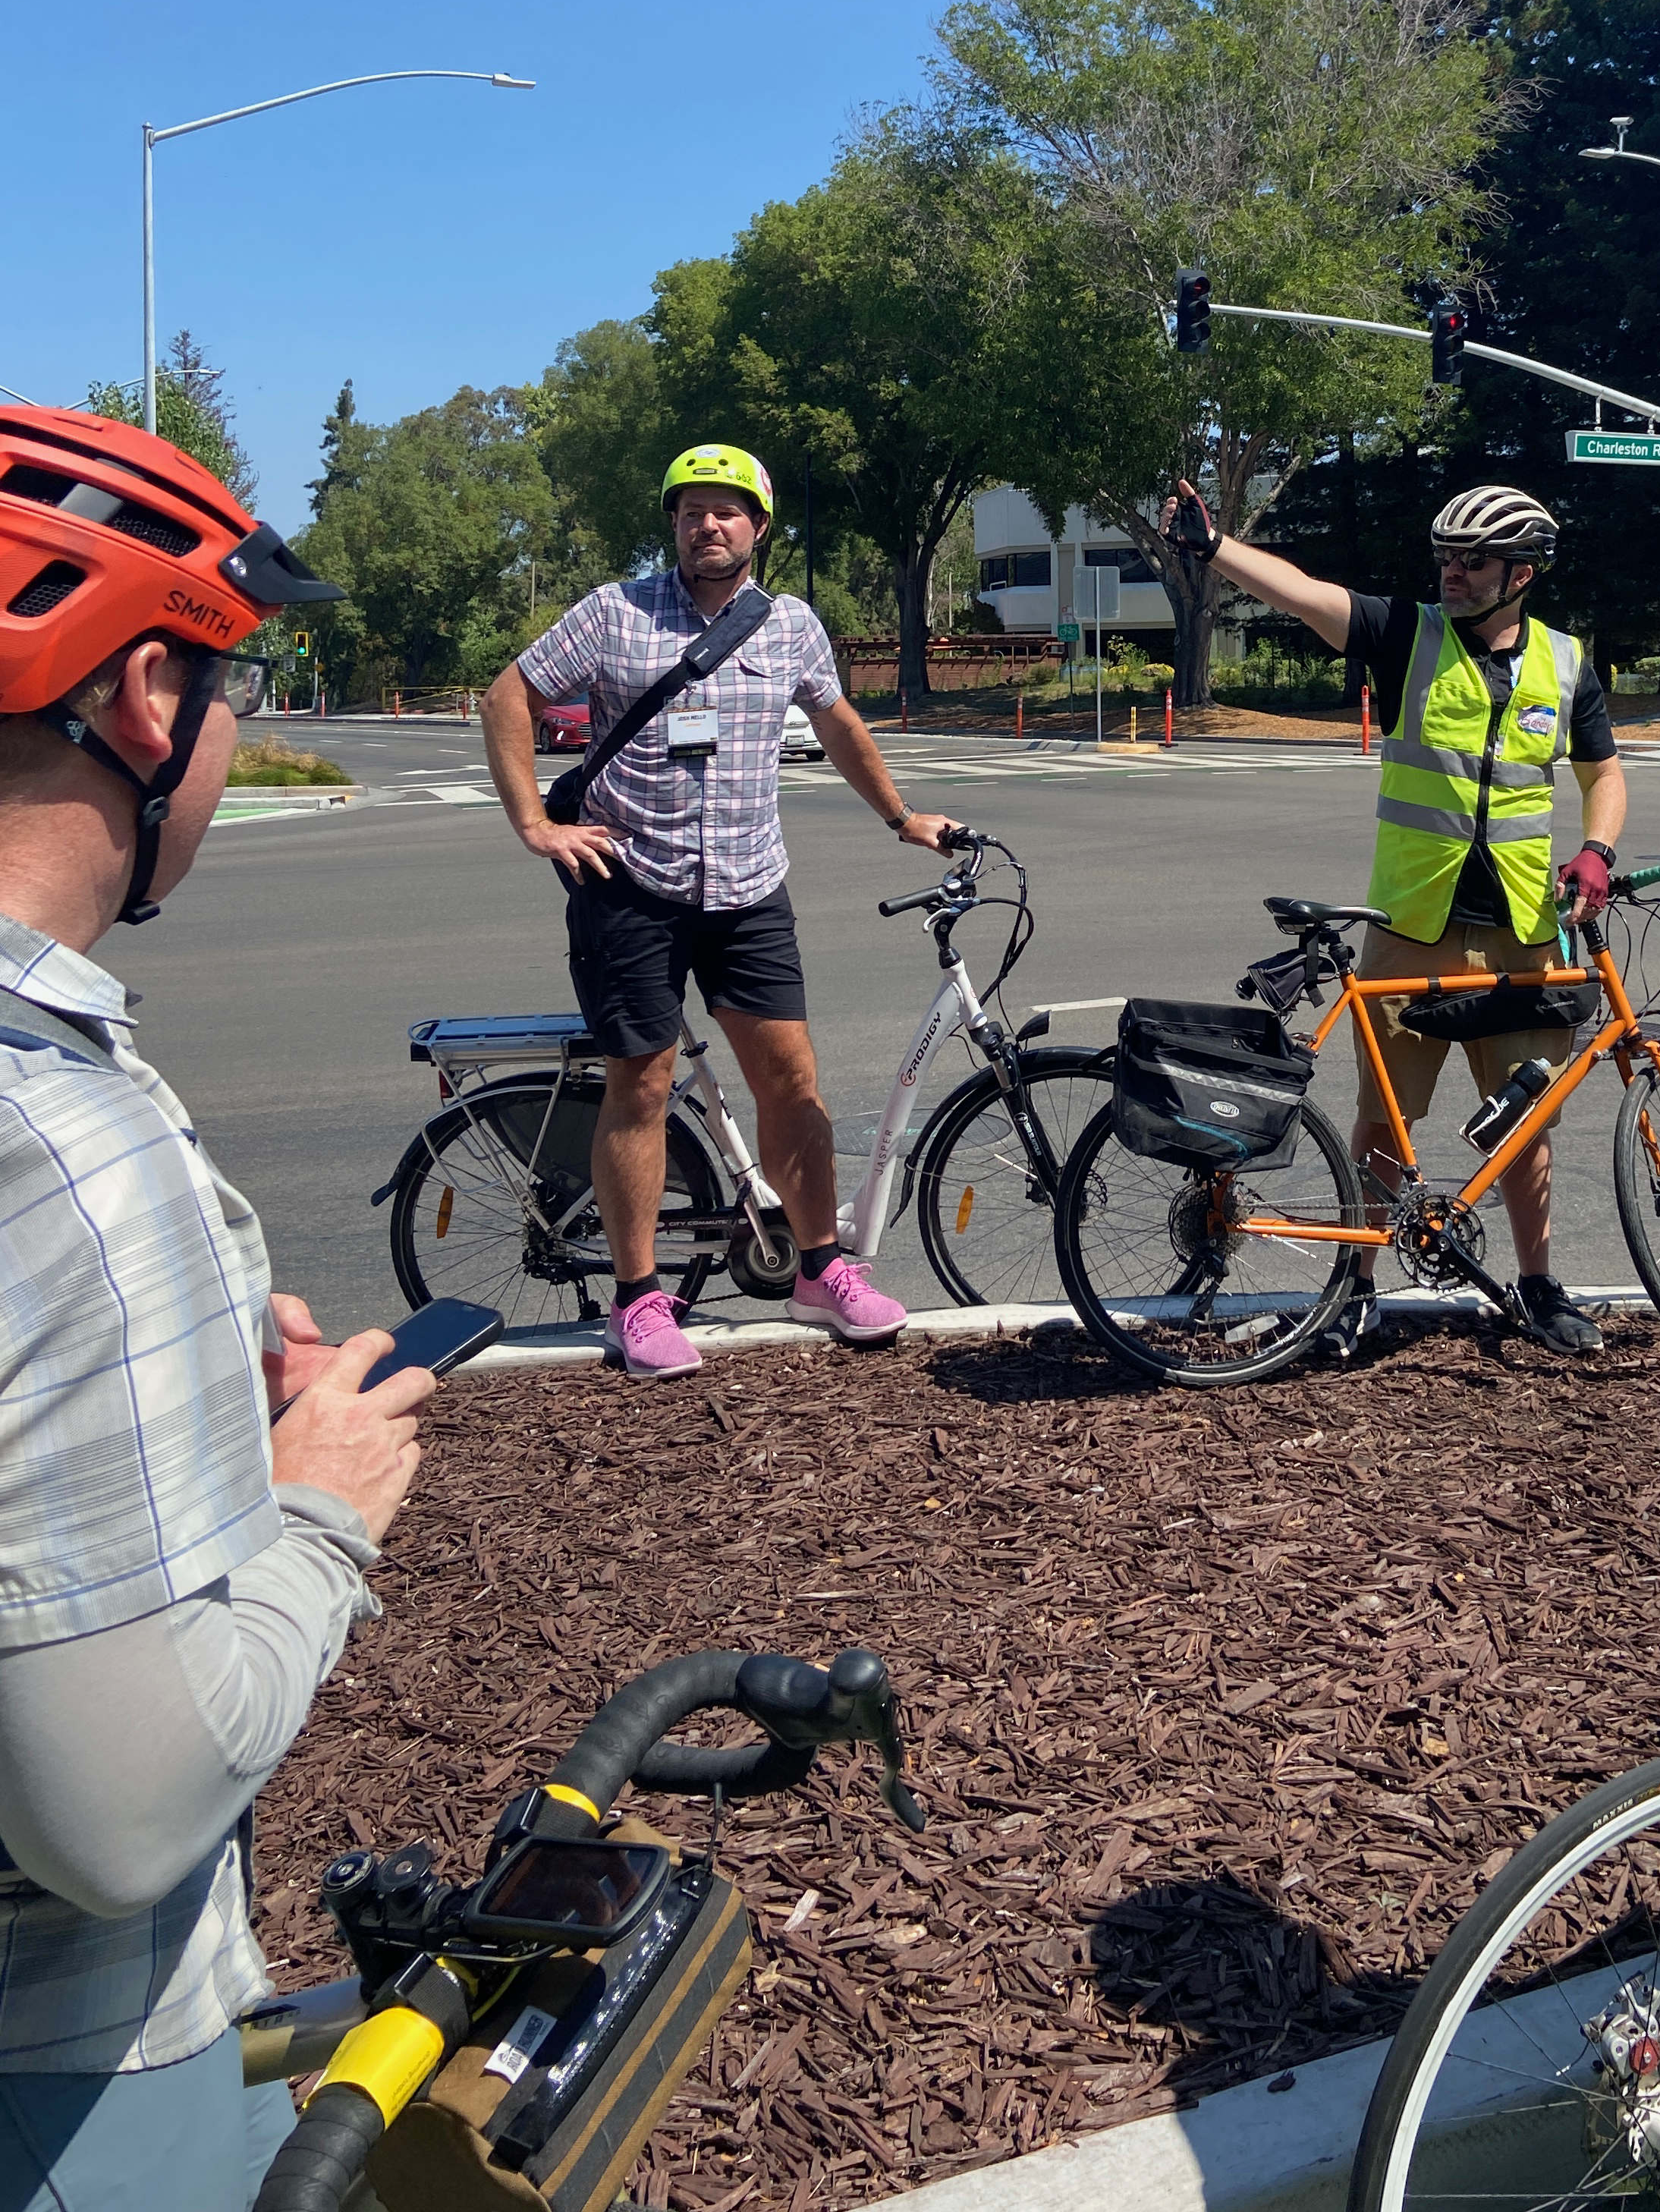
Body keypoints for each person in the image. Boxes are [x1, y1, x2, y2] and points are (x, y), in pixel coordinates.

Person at [0, 402, 435, 2210]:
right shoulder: (60, 1154)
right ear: (146, 701)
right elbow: (113, 1821)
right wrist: (319, 1502)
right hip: (76, 2077)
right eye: (235, 686)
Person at [480, 442, 960, 1376]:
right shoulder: (614, 614)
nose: (710, 523)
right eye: (692, 508)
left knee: (793, 1084)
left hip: (747, 889)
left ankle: (822, 1269)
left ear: (759, 527)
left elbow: (837, 722)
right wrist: (535, 823)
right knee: (644, 1086)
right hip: (631, 888)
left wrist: (902, 817)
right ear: (672, 523)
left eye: (728, 509)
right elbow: (511, 695)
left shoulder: (789, 627)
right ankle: (638, 1300)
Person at [1164, 478, 1626, 1356]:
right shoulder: (1405, 634)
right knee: (1386, 1116)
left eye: (1473, 560)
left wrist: (1597, 849)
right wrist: (1214, 546)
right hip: (1412, 921)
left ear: (1522, 572)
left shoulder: (1566, 664)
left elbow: (1604, 774)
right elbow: (1307, 594)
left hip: (1522, 929)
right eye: (1445, 557)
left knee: (1526, 1120)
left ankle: (1536, 1285)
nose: (1452, 572)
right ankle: (1360, 1287)